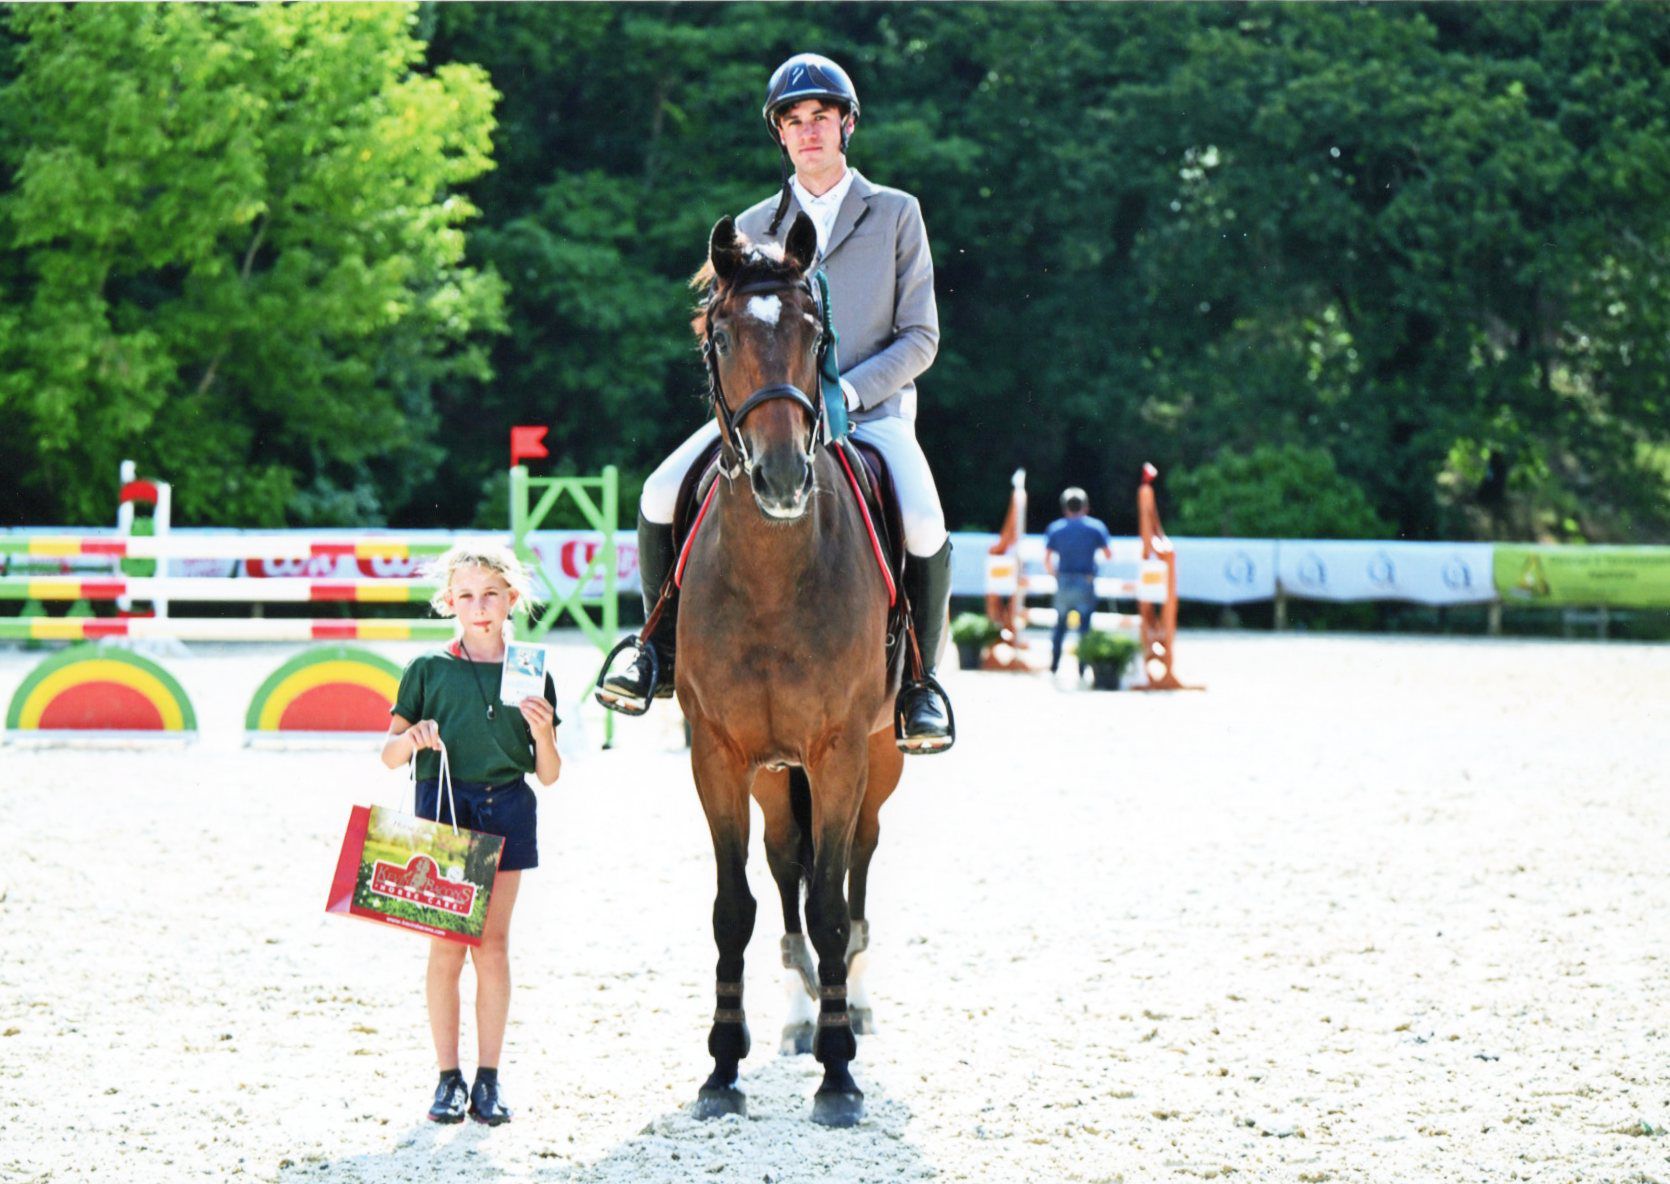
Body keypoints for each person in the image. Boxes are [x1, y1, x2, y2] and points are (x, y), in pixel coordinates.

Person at [599, 52, 955, 752]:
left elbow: (921, 337)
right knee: (659, 491)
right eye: (794, 121)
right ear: (780, 135)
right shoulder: (753, 223)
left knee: (922, 520)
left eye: (821, 117)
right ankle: (657, 649)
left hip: (872, 413)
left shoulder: (895, 213)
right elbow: (723, 332)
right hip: (769, 417)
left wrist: (847, 391)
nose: (809, 131)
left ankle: (920, 683)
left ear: (846, 124)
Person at [381, 542, 562, 1126]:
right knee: (447, 946)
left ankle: (488, 1078)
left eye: (490, 594)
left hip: (508, 806)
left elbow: (549, 774)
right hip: (444, 809)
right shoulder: (427, 669)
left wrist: (545, 734)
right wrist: (413, 738)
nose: (479, 606)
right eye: (466, 595)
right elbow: (388, 754)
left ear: (512, 599)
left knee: (492, 945)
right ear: (449, 602)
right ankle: (447, 1078)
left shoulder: (531, 670)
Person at [1044, 487, 1113, 677]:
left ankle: (1054, 666)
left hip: (1064, 580)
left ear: (1065, 508)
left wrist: (1055, 574)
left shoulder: (1056, 528)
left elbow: (1047, 559)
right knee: (1084, 628)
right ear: (1086, 507)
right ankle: (1082, 668)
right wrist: (1095, 569)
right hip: (1085, 580)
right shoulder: (1095, 527)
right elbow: (1108, 554)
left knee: (1060, 625)